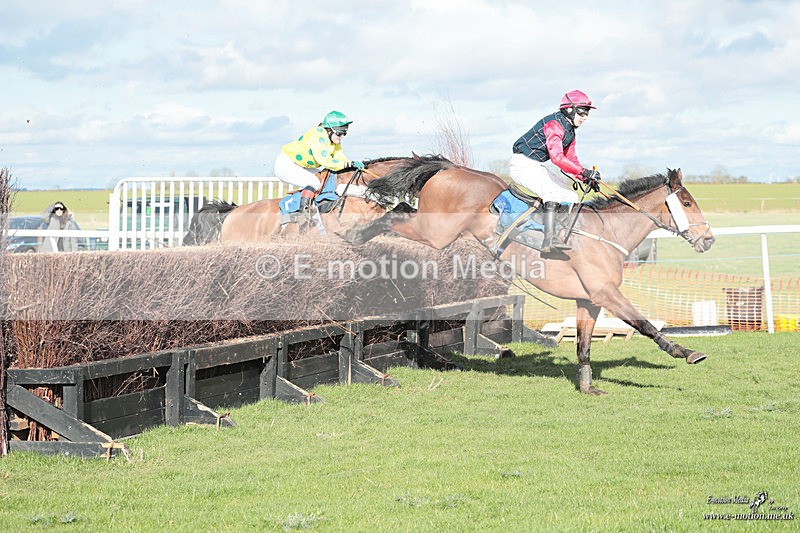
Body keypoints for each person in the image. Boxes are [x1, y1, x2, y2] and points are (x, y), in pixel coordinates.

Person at [510, 90, 601, 254]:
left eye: (587, 113)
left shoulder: (570, 131)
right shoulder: (554, 124)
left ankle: (559, 236)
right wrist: (584, 172)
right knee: (551, 193)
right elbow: (557, 158)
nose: (585, 117)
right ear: (569, 109)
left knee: (570, 196)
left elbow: (571, 159)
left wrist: (585, 178)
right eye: (582, 112)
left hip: (536, 166)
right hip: (522, 165)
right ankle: (548, 241)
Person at [274, 110, 365, 213]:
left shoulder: (334, 141)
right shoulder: (319, 137)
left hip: (300, 166)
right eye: (339, 133)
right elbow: (325, 161)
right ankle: (304, 212)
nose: (341, 137)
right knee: (314, 182)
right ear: (329, 130)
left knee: (322, 180)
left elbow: (340, 158)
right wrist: (348, 164)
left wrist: (353, 165)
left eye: (344, 133)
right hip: (286, 165)